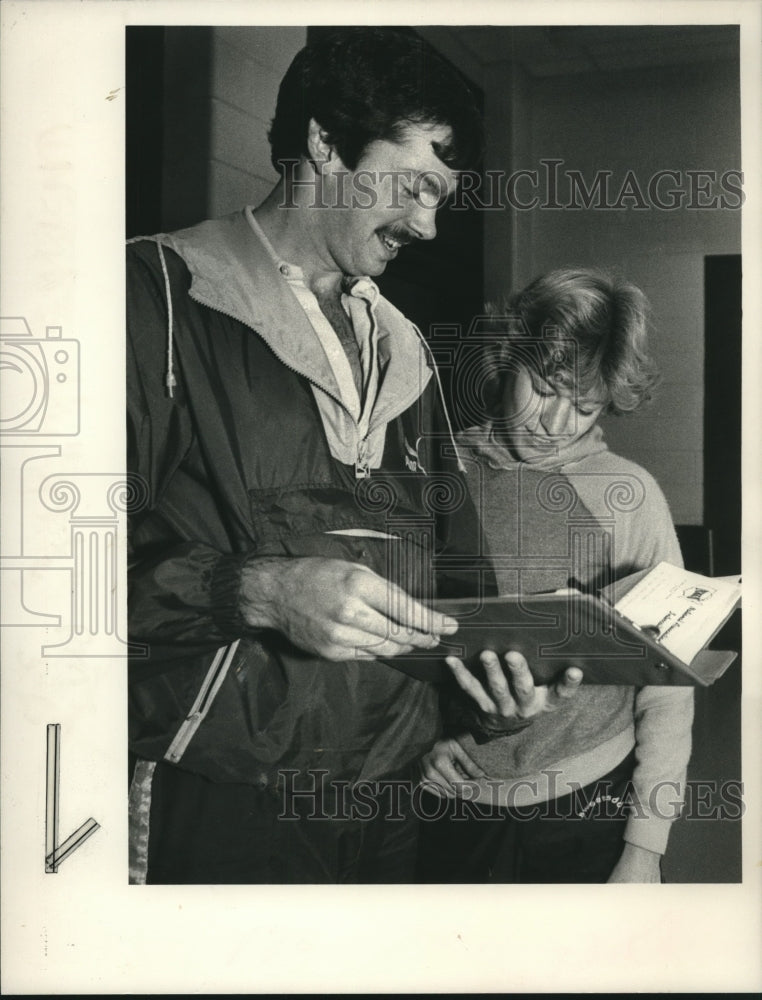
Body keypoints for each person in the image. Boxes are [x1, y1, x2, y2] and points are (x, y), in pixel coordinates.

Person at [126, 28, 579, 885]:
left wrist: (490, 689)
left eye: (442, 196)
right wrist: (255, 588)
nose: (428, 223)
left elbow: (456, 566)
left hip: (387, 795)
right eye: (412, 186)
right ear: (324, 142)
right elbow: (51, 575)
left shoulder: (406, 348)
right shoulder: (156, 298)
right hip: (222, 789)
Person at [417, 268, 694, 884]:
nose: (555, 423)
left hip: (590, 797)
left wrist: (645, 848)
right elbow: (395, 640)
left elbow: (668, 690)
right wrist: (416, 745)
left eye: (585, 405)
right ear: (505, 360)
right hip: (455, 796)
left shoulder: (631, 497)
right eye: (543, 389)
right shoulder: (439, 470)